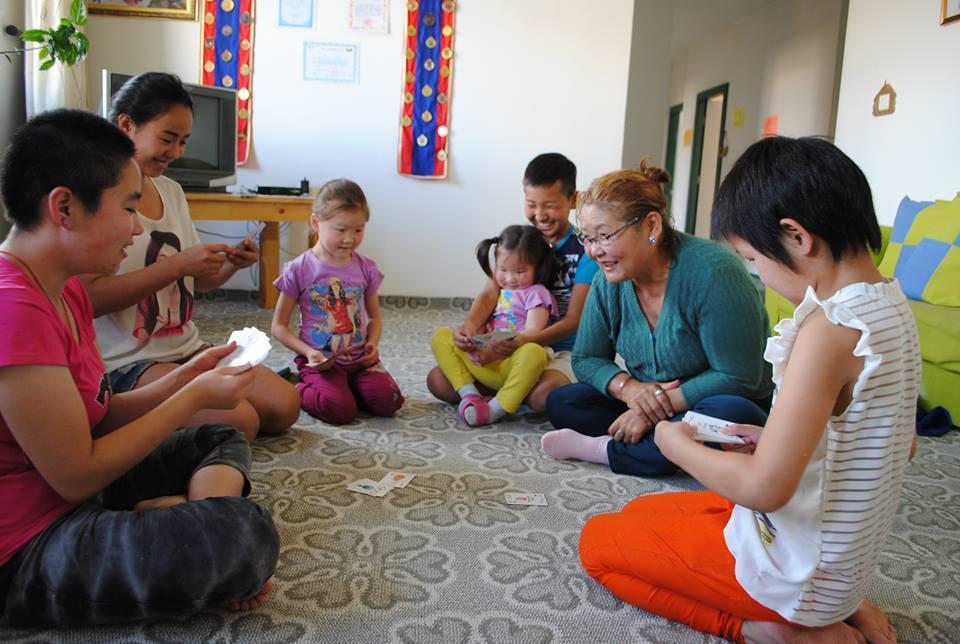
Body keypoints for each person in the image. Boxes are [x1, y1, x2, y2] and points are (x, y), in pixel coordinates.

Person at [579, 136, 918, 643]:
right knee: (645, 512)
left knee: (598, 542)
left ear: (796, 237)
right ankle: (842, 605)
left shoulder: (828, 331)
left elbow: (763, 489)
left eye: (753, 260)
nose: (756, 274)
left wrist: (673, 442)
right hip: (835, 559)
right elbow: (896, 442)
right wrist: (777, 440)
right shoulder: (889, 306)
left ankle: (777, 631)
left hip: (797, 574)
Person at [0, 109, 278, 626]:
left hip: (80, 499)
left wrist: (188, 376)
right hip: (27, 548)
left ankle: (183, 516)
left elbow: (99, 417)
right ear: (64, 207)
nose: (135, 227)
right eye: (128, 207)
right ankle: (196, 521)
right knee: (245, 535)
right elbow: (75, 475)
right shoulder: (13, 306)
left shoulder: (63, 289)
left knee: (218, 435)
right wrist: (189, 400)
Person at [82, 72, 300, 442]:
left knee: (284, 406)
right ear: (126, 125)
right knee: (240, 421)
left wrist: (230, 263)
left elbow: (193, 284)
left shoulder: (172, 191)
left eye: (183, 141)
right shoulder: (95, 195)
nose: (178, 153)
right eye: (168, 138)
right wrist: (177, 265)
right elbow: (85, 300)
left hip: (187, 348)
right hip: (127, 362)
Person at [541, 161, 773, 477]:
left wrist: (653, 409)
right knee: (564, 402)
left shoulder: (713, 273)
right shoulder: (606, 280)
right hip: (652, 401)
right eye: (587, 238)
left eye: (605, 236)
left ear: (651, 226)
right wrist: (629, 389)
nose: (594, 251)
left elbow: (738, 376)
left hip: (719, 404)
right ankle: (660, 447)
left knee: (726, 415)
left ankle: (606, 450)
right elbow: (586, 358)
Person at [426, 153, 598, 411]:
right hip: (505, 348)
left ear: (574, 200)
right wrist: (471, 327)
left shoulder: (585, 250)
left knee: (542, 397)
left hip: (558, 353)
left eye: (550, 205)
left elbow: (573, 321)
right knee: (437, 380)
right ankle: (508, 389)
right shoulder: (520, 241)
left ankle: (510, 392)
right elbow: (489, 293)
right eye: (531, 204)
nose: (540, 215)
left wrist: (522, 342)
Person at [270, 179, 403, 425]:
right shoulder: (299, 269)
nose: (349, 239)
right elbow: (278, 326)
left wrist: (372, 343)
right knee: (340, 411)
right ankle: (295, 386)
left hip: (359, 360)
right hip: (320, 362)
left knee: (390, 401)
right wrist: (309, 352)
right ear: (315, 223)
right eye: (340, 230)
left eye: (358, 230)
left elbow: (374, 317)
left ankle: (348, 387)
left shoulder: (366, 268)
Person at [431, 225, 561, 426]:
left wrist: (496, 352)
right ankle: (470, 395)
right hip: (483, 361)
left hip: (511, 364)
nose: (509, 278)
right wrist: (467, 337)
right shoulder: (499, 290)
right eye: (502, 269)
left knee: (534, 353)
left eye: (520, 271)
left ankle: (496, 408)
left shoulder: (536, 293)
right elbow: (480, 319)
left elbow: (532, 332)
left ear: (538, 268)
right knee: (442, 336)